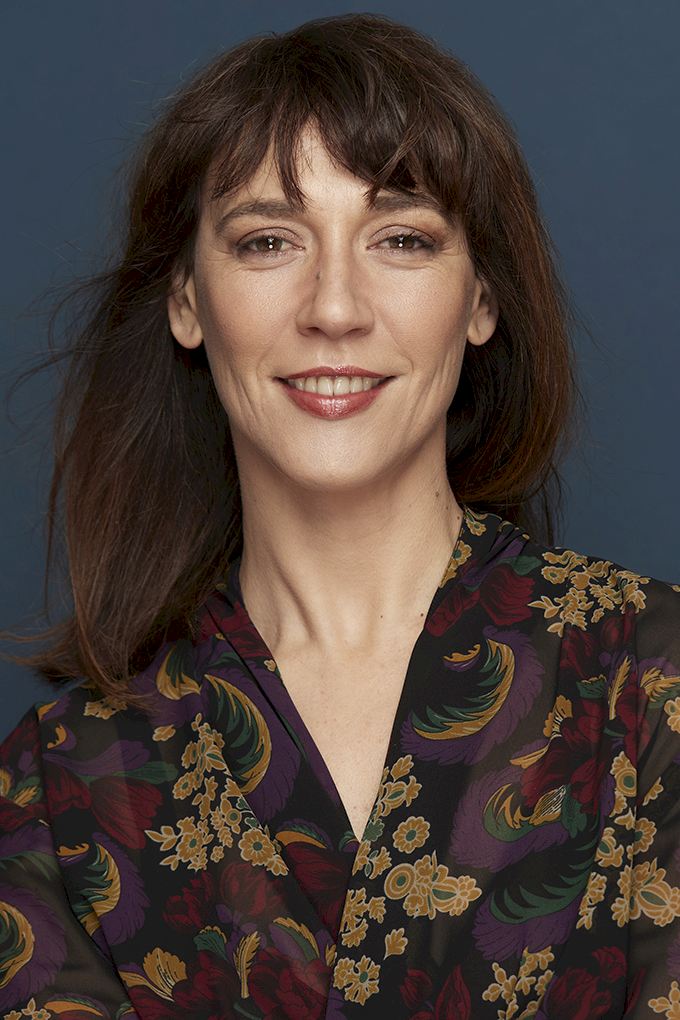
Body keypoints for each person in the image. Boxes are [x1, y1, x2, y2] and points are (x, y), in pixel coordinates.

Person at [1, 12, 678, 1019]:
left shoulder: (649, 681)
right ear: (187, 299)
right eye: (267, 241)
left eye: (400, 239)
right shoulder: (59, 786)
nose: (333, 306)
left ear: (480, 299)